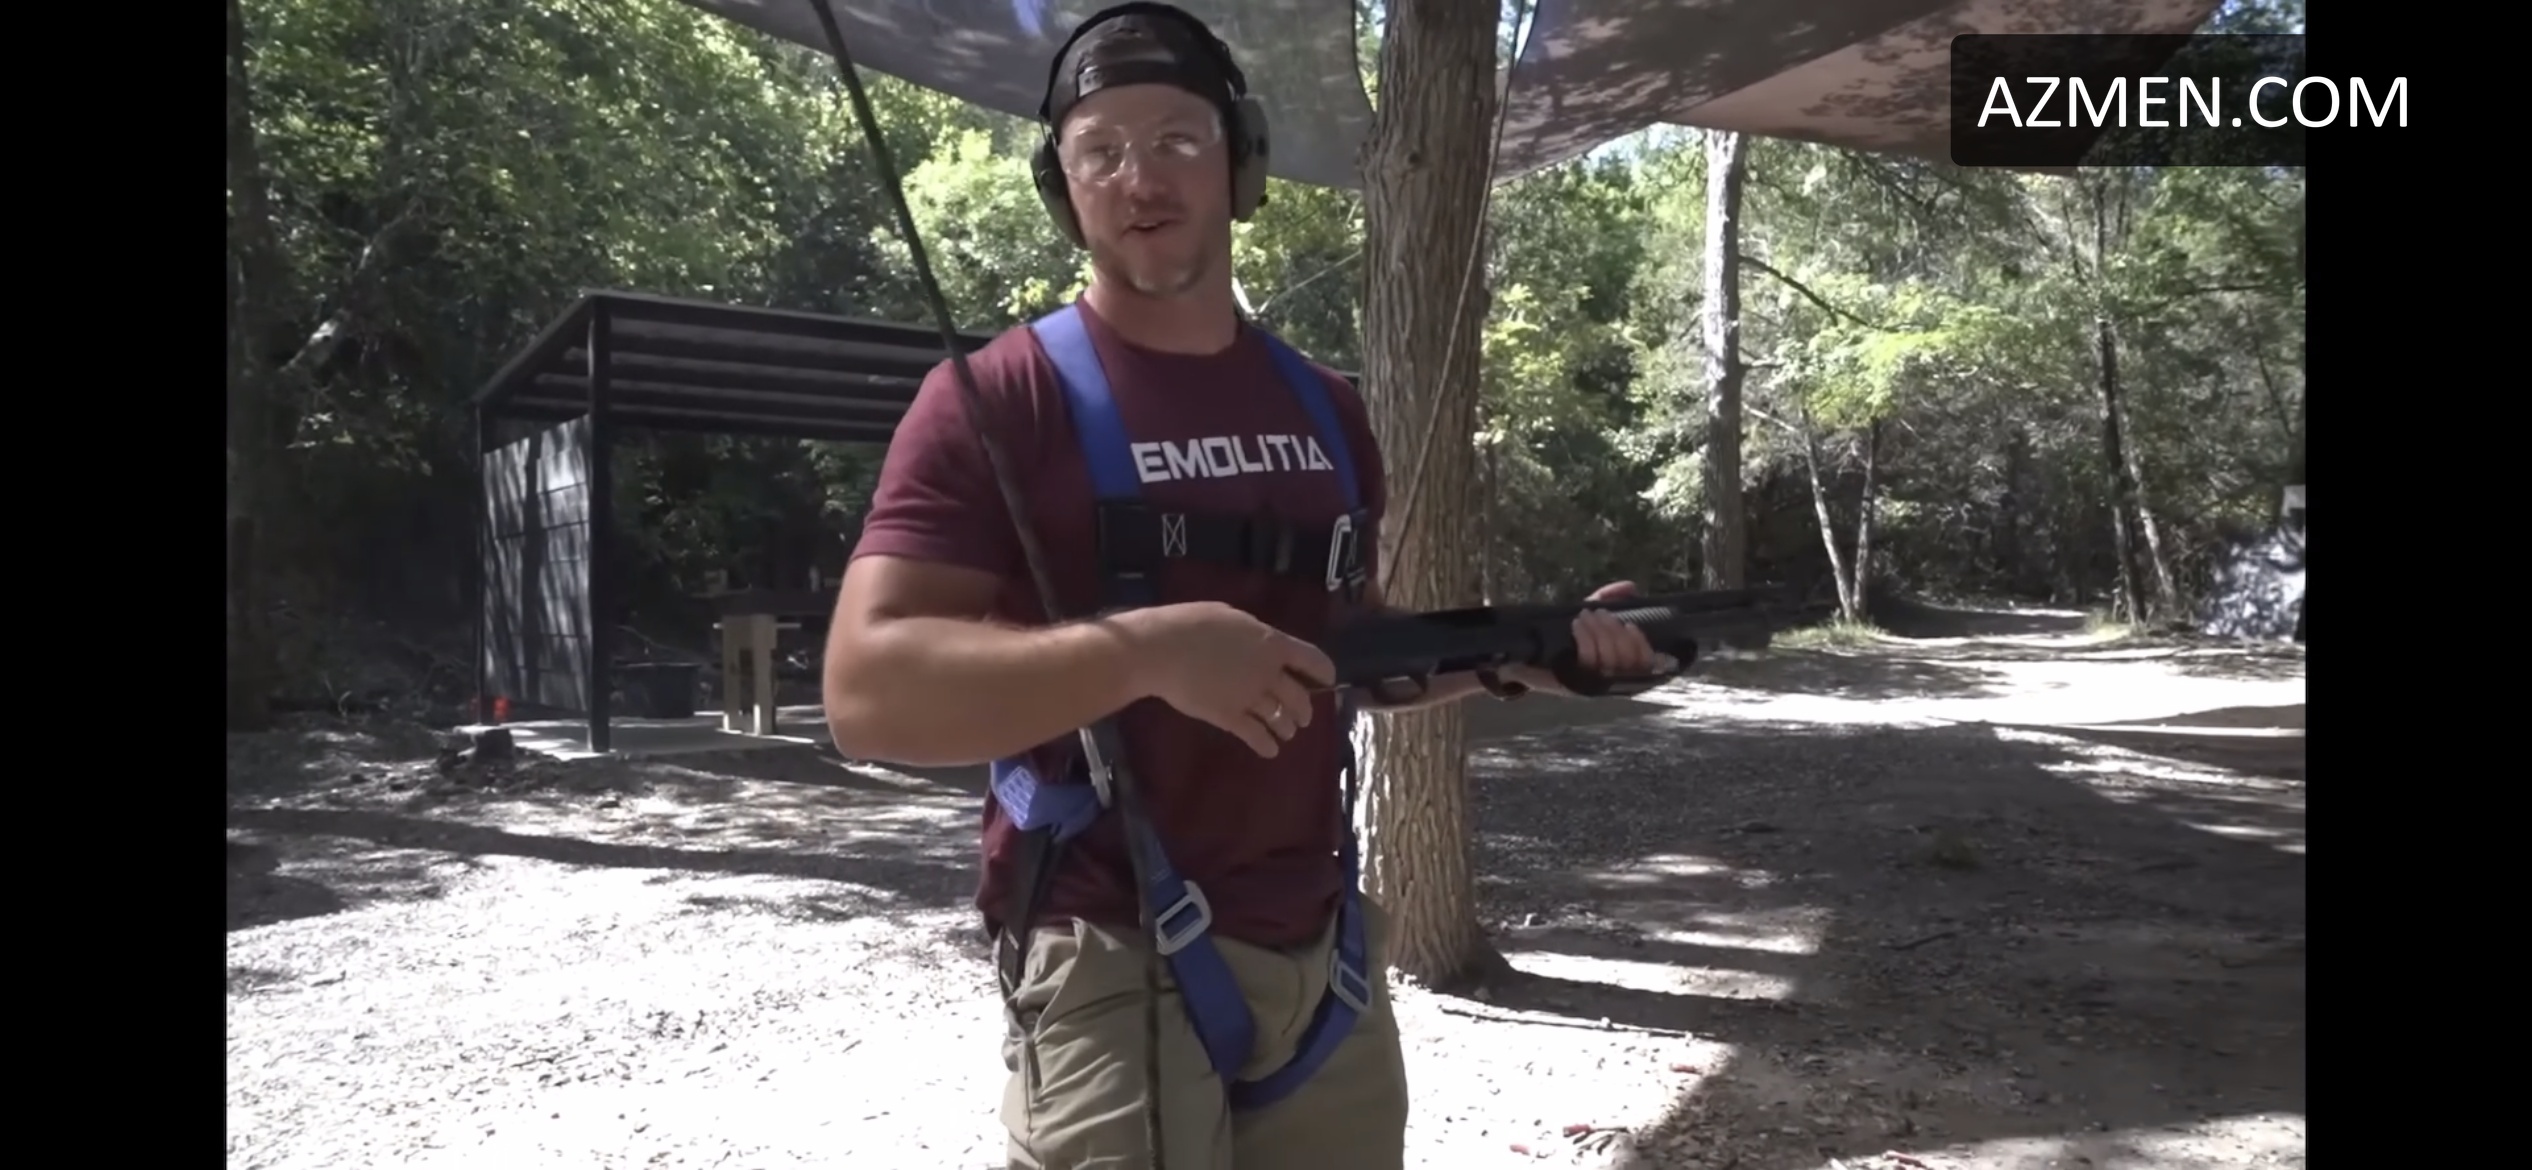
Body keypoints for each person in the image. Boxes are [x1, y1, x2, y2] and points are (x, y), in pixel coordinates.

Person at [820, 5, 1664, 1166]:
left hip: (1322, 954)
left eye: (1177, 138)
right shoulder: (997, 398)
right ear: (1063, 187)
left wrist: (1528, 657)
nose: (1138, 178)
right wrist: (1145, 654)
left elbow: (1341, 650)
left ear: (1242, 160)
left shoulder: (1328, 410)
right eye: (1100, 151)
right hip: (1106, 950)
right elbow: (867, 696)